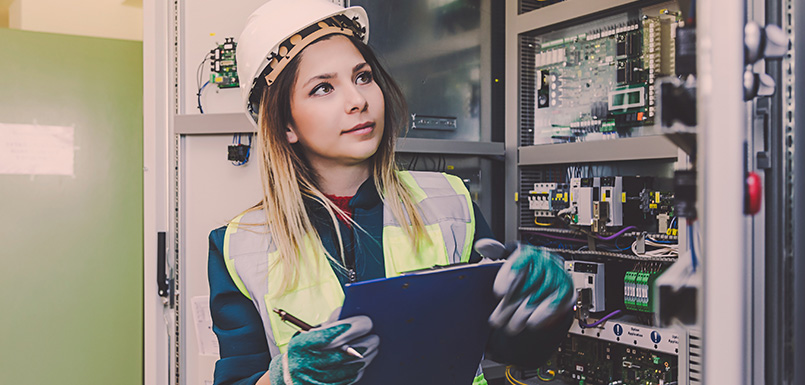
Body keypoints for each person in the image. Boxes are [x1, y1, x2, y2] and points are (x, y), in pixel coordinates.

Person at [207, 1, 575, 384]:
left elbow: (508, 347)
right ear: (285, 125)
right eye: (323, 88)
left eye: (363, 77)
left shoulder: (449, 202)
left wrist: (546, 306)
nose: (358, 100)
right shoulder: (240, 245)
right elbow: (239, 376)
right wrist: (284, 378)